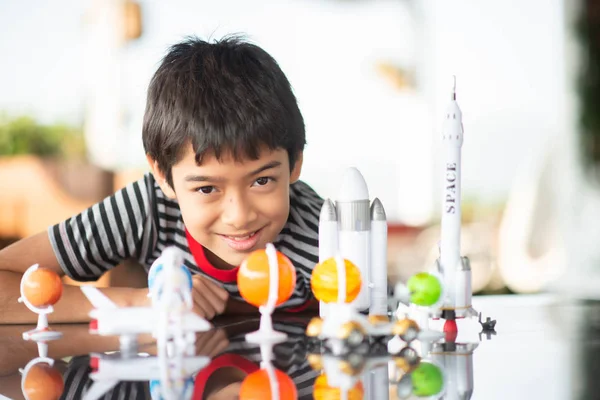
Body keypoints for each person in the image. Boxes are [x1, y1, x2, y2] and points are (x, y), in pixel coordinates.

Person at [0, 35, 323, 323]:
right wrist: (143, 303)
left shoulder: (324, 235)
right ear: (163, 176)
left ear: (295, 162)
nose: (239, 215)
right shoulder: (148, 207)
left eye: (261, 181)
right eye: (207, 188)